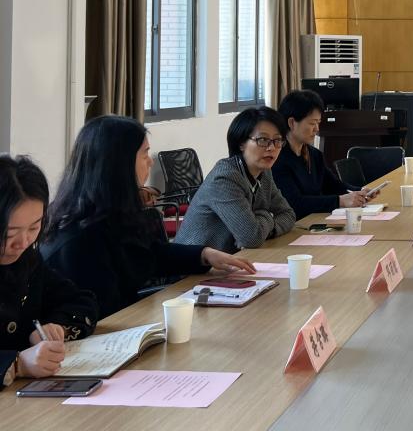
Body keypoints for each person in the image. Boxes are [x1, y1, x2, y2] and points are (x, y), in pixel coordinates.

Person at [42, 116, 257, 319]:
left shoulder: (111, 210)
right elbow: (105, 315)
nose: (150, 162)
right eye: (145, 154)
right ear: (119, 163)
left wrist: (204, 254)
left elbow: (149, 252)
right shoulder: (79, 238)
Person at [0, 155, 97, 388]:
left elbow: (82, 301)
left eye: (34, 227)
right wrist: (16, 365)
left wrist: (54, 326)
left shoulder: (28, 261)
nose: (23, 242)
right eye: (10, 233)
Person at [175, 107, 297, 252]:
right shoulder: (225, 178)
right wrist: (267, 215)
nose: (271, 148)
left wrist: (263, 226)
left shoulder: (265, 172)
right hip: (195, 263)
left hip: (231, 258)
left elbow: (288, 215)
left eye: (277, 140)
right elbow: (251, 237)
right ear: (241, 143)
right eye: (263, 140)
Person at [272, 90, 371, 220]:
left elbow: (334, 185)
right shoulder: (277, 158)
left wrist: (361, 191)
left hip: (316, 221)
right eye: (312, 123)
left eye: (318, 123)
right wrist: (340, 201)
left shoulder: (314, 154)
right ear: (291, 123)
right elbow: (294, 203)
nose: (317, 129)